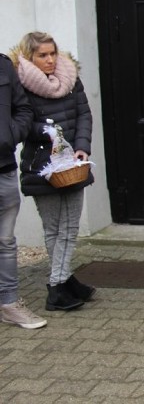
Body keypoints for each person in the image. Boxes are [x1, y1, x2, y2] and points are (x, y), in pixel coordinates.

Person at [10, 32, 96, 312]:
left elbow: (84, 113)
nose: (49, 60)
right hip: (41, 166)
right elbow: (20, 122)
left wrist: (82, 146)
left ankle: (64, 279)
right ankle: (57, 287)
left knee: (69, 227)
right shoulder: (19, 84)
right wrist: (45, 131)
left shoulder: (70, 78)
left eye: (52, 53)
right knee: (54, 228)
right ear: (29, 57)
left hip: (73, 164)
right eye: (42, 55)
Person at [0, 52, 45, 329]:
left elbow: (23, 108)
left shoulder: (3, 65)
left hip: (4, 168)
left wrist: (10, 135)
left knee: (5, 242)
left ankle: (9, 303)